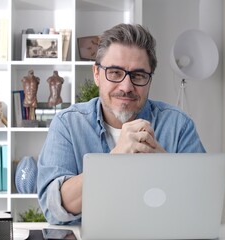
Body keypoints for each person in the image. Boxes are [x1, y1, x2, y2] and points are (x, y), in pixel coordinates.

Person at [37, 23, 205, 225]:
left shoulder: (179, 125)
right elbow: (53, 207)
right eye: (115, 73)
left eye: (138, 75)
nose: (126, 87)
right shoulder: (68, 124)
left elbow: (202, 204)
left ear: (149, 80)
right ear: (97, 74)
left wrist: (163, 164)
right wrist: (114, 160)